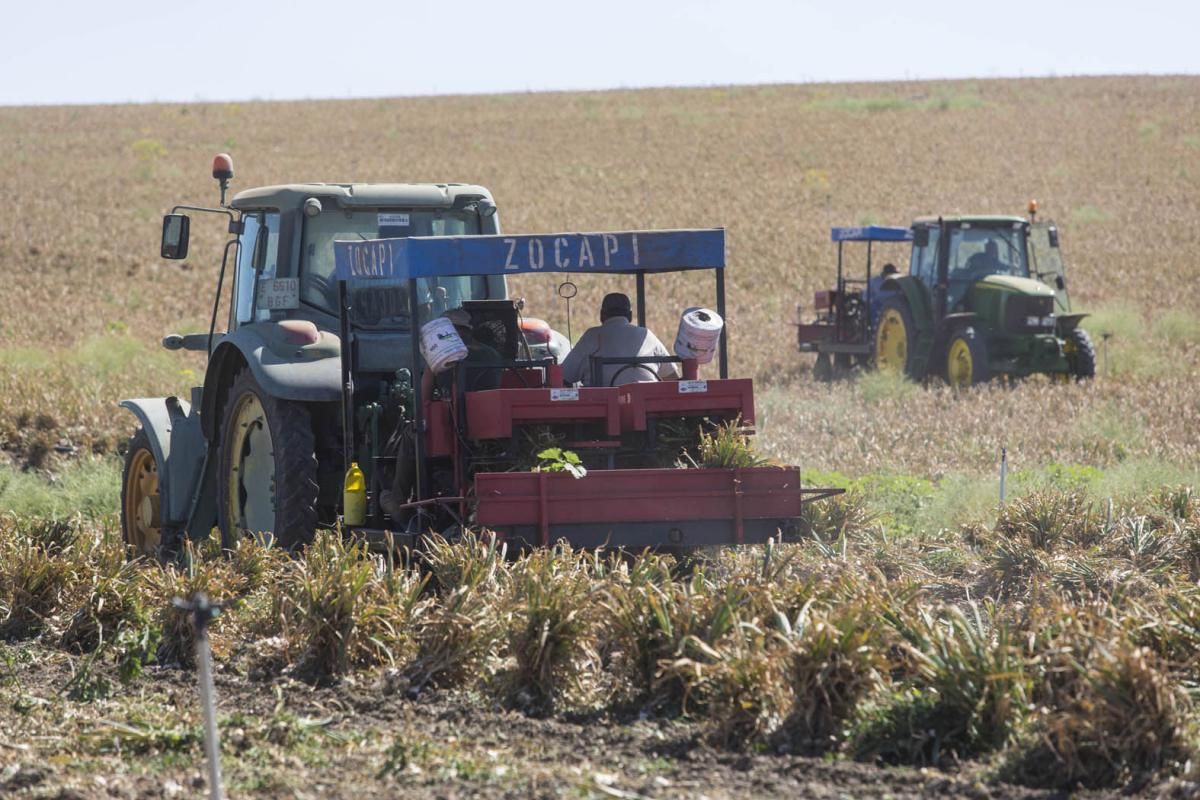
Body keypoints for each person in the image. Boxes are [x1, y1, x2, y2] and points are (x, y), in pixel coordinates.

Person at [560, 293, 680, 386]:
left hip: (602, 411)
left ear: (602, 315)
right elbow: (672, 377)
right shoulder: (646, 335)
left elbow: (563, 376)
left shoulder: (591, 336)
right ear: (630, 315)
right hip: (649, 408)